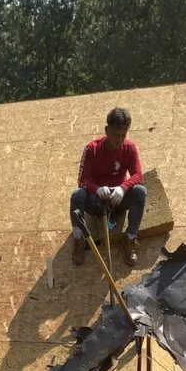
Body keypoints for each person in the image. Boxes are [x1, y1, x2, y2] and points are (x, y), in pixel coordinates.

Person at [70, 107, 147, 268]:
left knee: (140, 192)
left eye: (123, 135)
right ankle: (78, 239)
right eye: (115, 135)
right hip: (96, 200)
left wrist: (123, 188)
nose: (119, 139)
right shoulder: (92, 149)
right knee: (77, 195)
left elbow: (138, 174)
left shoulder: (130, 148)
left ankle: (130, 239)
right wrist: (96, 189)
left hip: (117, 199)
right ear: (107, 130)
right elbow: (83, 179)